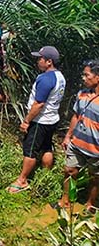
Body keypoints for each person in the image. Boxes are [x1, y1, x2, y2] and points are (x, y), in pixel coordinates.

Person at [7, 46, 66, 193]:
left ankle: (22, 181)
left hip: (40, 121)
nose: (37, 61)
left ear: (49, 62)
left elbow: (39, 104)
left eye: (40, 58)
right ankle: (46, 174)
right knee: (46, 147)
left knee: (30, 150)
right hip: (52, 119)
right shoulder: (60, 77)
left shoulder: (46, 79)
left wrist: (26, 121)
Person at [59, 60, 99, 212]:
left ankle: (90, 203)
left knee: (95, 178)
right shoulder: (82, 94)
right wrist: (68, 136)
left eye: (87, 75)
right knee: (70, 170)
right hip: (77, 144)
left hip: (96, 149)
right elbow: (76, 116)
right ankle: (66, 200)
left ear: (97, 78)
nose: (83, 78)